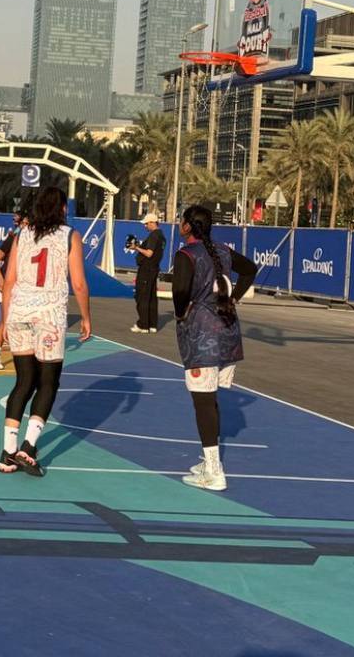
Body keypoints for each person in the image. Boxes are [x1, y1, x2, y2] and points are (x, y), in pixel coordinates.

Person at [0, 186, 90, 477]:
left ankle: (7, 451)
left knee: (23, 381)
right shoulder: (70, 236)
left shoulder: (22, 235)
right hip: (48, 315)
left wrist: (4, 320)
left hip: (19, 312)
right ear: (62, 209)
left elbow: (9, 281)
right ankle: (29, 447)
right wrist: (86, 317)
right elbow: (78, 283)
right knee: (48, 381)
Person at [172, 204, 258, 492]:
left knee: (203, 402)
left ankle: (214, 471)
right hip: (228, 331)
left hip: (202, 335)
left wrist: (181, 314)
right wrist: (233, 298)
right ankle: (209, 460)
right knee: (210, 399)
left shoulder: (186, 255)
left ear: (187, 226)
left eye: (182, 220)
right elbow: (250, 269)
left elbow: (180, 293)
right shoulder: (222, 251)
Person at [0, 212, 24, 370]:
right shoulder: (13, 237)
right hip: (7, 283)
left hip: (23, 284)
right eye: (23, 223)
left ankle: (24, 355)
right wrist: (0, 279)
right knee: (5, 319)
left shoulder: (36, 239)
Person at [130, 213, 166, 334]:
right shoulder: (161, 236)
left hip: (146, 269)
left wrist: (136, 248)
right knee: (151, 297)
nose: (145, 226)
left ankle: (143, 325)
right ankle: (152, 324)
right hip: (154, 268)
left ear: (152, 223)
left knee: (142, 296)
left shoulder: (154, 235)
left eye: (146, 224)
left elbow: (149, 253)